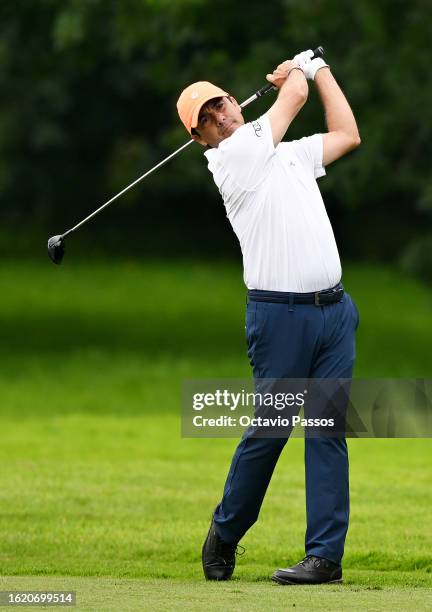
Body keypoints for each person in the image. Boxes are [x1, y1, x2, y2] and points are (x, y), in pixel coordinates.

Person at [176, 50, 361, 585]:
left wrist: (322, 70)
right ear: (200, 138)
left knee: (328, 430)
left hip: (335, 314)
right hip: (279, 318)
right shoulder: (232, 159)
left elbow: (347, 133)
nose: (220, 116)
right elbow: (295, 97)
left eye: (221, 104)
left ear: (234, 100)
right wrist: (301, 68)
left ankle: (324, 557)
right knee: (272, 431)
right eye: (206, 118)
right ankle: (226, 530)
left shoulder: (284, 151)